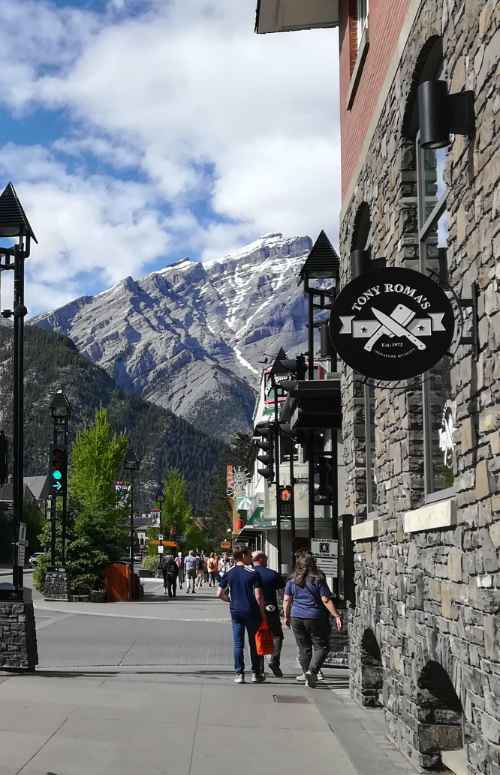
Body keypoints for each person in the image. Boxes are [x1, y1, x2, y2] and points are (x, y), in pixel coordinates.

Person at [283, 552, 342, 688]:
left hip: (297, 617)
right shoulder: (318, 579)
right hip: (315, 616)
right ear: (313, 564)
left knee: (304, 648)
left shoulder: (292, 580)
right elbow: (325, 599)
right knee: (322, 646)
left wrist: (286, 616)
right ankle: (312, 671)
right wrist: (336, 615)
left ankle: (307, 675)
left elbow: (286, 600)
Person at [217, 546, 267, 684]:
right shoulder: (253, 573)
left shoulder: (229, 572)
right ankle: (256, 673)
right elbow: (258, 596)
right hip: (251, 611)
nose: (251, 558)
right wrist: (263, 614)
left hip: (236, 611)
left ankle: (239, 674)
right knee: (253, 642)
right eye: (249, 555)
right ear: (243, 555)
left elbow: (219, 593)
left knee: (238, 643)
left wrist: (230, 600)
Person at [252, 551, 285, 678]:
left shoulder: (249, 573)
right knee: (277, 635)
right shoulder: (272, 574)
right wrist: (284, 608)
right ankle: (274, 660)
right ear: (260, 559)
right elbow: (282, 592)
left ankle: (259, 669)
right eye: (265, 558)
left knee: (257, 637)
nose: (267, 560)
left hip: (254, 610)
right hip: (271, 608)